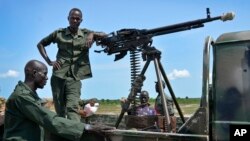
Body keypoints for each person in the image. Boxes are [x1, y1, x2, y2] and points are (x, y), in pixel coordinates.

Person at [3, 60, 114, 141]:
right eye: (44, 74)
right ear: (34, 73)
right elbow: (47, 118)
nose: (46, 78)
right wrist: (87, 127)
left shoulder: (29, 96)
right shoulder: (22, 97)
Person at [37, 8, 107, 122]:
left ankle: (74, 134)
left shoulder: (86, 33)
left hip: (75, 77)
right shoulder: (58, 34)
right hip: (58, 76)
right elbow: (40, 44)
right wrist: (49, 61)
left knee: (72, 107)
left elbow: (105, 35)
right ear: (68, 19)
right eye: (72, 18)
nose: (74, 20)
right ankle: (62, 134)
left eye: (77, 19)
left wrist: (93, 34)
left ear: (81, 20)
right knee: (60, 109)